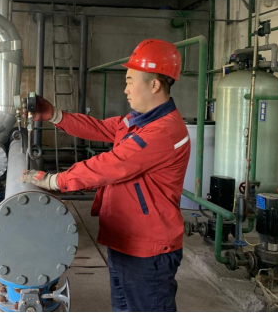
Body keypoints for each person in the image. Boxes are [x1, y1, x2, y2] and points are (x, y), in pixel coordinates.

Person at [21, 39, 191, 312]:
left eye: (130, 81)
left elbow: (111, 165)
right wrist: (55, 115)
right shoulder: (137, 120)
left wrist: (56, 180)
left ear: (154, 85)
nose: (125, 89)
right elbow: (100, 128)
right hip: (125, 239)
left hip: (147, 250)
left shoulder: (163, 131)